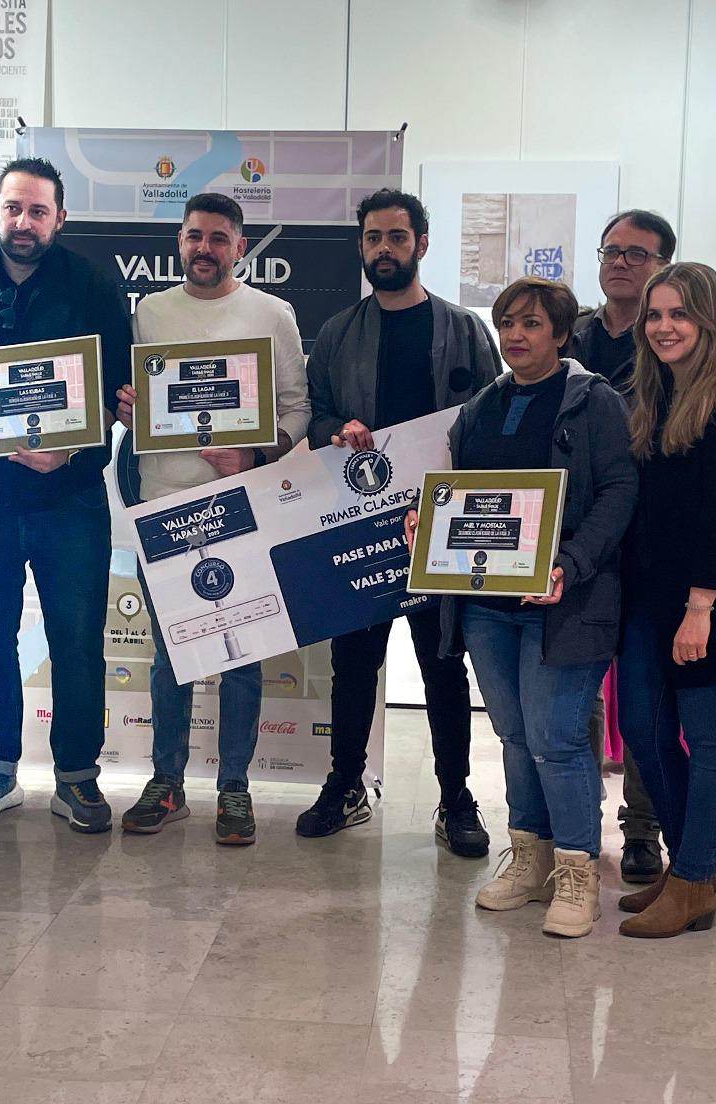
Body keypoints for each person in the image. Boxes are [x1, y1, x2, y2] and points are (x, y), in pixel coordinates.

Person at [411, 277, 636, 938]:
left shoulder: (594, 401)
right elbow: (463, 494)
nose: (515, 335)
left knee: (555, 737)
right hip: (488, 605)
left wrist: (571, 562)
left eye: (532, 324)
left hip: (566, 600)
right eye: (508, 322)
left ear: (561, 334)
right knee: (513, 735)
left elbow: (620, 491)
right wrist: (429, 524)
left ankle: (576, 871)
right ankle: (530, 857)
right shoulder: (482, 405)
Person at [0, 157, 132, 833]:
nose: (23, 222)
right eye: (13, 207)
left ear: (59, 218)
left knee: (78, 639)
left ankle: (78, 775)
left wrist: (72, 446)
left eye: (38, 211)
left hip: (70, 497)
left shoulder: (93, 285)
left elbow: (118, 390)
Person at [299, 188, 502, 855]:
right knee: (354, 664)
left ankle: (456, 798)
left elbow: (493, 416)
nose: (383, 248)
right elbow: (315, 416)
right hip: (359, 522)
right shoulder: (337, 333)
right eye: (373, 238)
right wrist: (339, 429)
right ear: (361, 246)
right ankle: (344, 785)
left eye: (396, 236)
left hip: (441, 526)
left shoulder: (464, 330)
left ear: (421, 244)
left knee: (444, 666)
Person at [114, 193, 310, 845]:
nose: (205, 248)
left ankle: (234, 787)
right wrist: (127, 408)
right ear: (179, 242)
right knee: (170, 657)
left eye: (219, 238)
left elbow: (297, 408)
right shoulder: (148, 313)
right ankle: (166, 783)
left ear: (240, 247)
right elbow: (135, 400)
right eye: (195, 236)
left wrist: (255, 453)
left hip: (239, 508)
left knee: (241, 657)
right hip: (162, 505)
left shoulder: (272, 314)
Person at [615, 262, 716, 939]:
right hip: (652, 600)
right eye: (655, 315)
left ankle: (692, 880)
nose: (664, 327)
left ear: (709, 321)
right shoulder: (653, 399)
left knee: (711, 742)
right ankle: (690, 869)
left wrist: (700, 607)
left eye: (679, 314)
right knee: (645, 732)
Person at [567, 209, 674, 884]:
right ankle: (577, 821)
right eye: (612, 251)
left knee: (642, 695)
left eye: (637, 254)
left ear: (663, 266)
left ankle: (642, 831)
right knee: (577, 688)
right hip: (574, 539)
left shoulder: (671, 338)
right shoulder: (570, 332)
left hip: (649, 535)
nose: (621, 263)